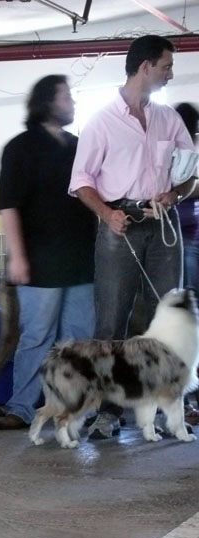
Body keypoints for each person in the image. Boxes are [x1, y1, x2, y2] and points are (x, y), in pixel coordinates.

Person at [69, 34, 195, 439]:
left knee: (171, 321)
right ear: (144, 67)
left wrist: (175, 192)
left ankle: (168, 409)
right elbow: (81, 181)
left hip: (163, 223)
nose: (169, 74)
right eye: (166, 67)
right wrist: (107, 213)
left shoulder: (169, 120)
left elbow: (192, 176)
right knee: (111, 323)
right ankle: (107, 413)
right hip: (118, 224)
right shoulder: (101, 122)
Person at [0, 75, 98, 431]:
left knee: (78, 339)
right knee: (37, 335)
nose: (72, 103)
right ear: (47, 101)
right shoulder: (20, 147)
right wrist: (17, 256)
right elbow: (8, 205)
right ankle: (21, 407)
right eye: (66, 96)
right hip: (38, 260)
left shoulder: (79, 146)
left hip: (82, 260)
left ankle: (74, 407)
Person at [174, 103, 199, 290]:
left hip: (190, 230)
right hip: (176, 231)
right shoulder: (172, 149)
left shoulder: (191, 149)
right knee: (186, 286)